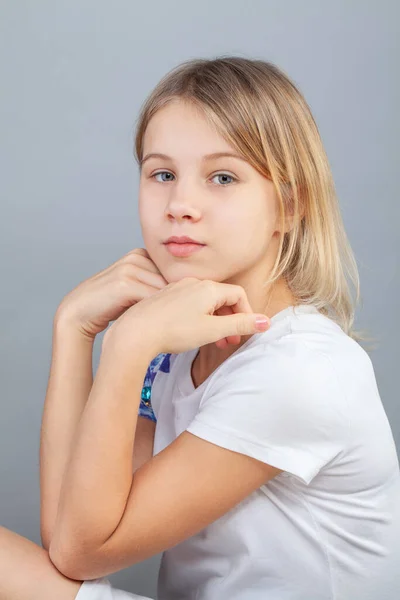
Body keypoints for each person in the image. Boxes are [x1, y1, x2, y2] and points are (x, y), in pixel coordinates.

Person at [2, 56, 399, 600]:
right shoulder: (181, 348)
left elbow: (78, 551)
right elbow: (71, 528)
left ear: (289, 205)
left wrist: (128, 343)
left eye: (223, 177)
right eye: (162, 174)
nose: (181, 206)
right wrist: (73, 329)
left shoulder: (301, 369)